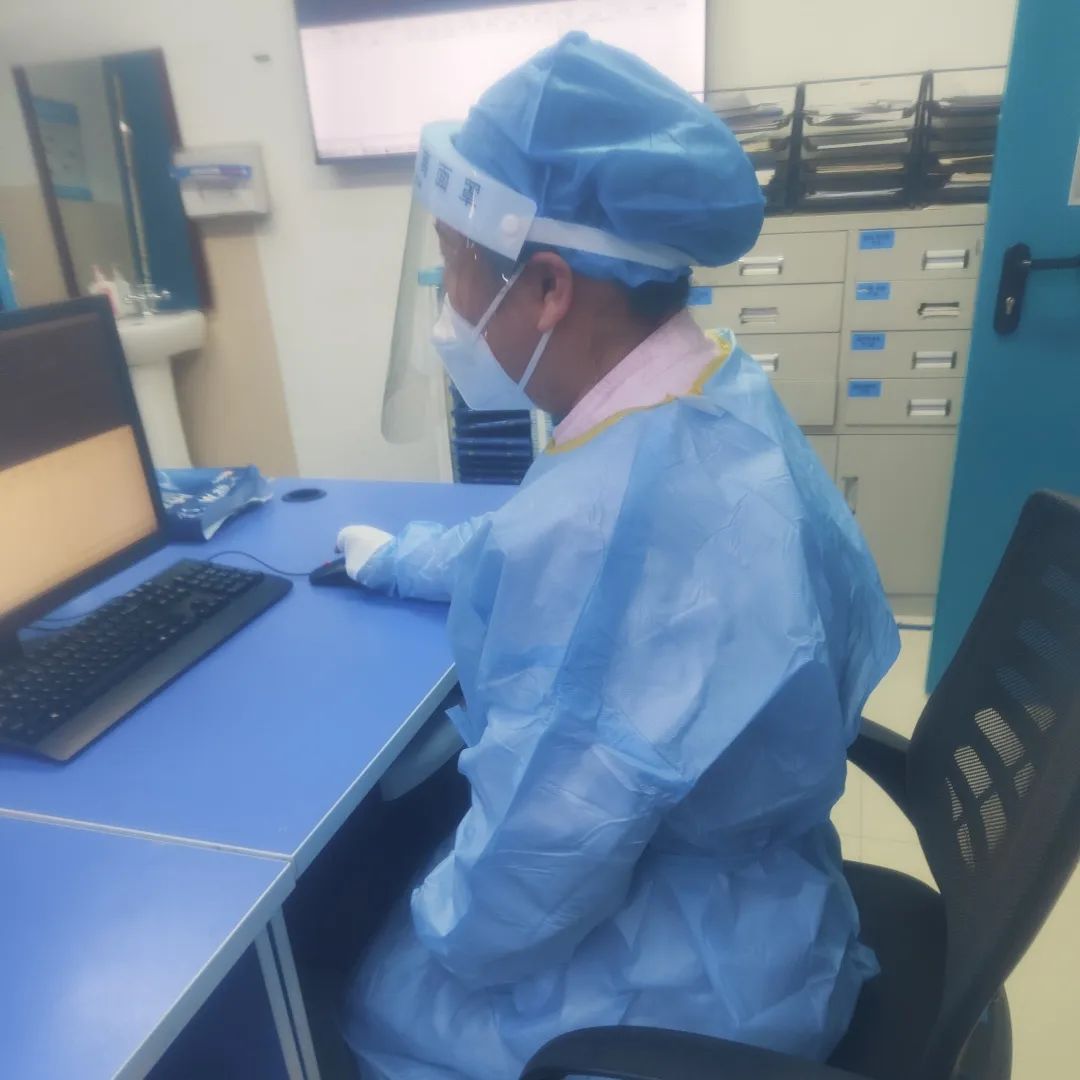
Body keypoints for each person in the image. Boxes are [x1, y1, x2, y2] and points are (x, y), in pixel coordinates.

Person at [338, 32, 900, 1080]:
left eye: (456, 268)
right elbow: (550, 538)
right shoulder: (710, 389)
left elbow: (524, 886)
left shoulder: (606, 525)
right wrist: (405, 559)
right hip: (777, 911)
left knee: (369, 995)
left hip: (692, 991)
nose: (449, 306)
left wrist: (412, 912)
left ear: (549, 286)